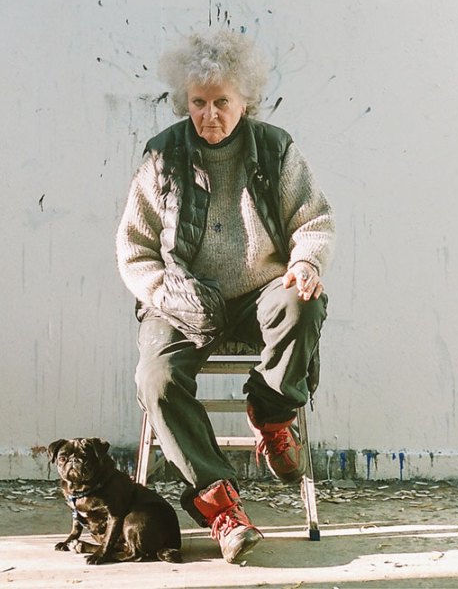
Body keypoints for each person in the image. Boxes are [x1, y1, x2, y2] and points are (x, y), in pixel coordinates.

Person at [115, 28, 335, 564]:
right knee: (157, 379)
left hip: (259, 291)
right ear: (183, 100)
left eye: (221, 103)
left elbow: (314, 220)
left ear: (245, 101)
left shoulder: (275, 148)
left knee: (302, 302)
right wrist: (162, 293)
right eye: (198, 103)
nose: (209, 115)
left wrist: (305, 263)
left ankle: (273, 412)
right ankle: (222, 509)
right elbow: (134, 247)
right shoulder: (162, 156)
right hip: (181, 296)